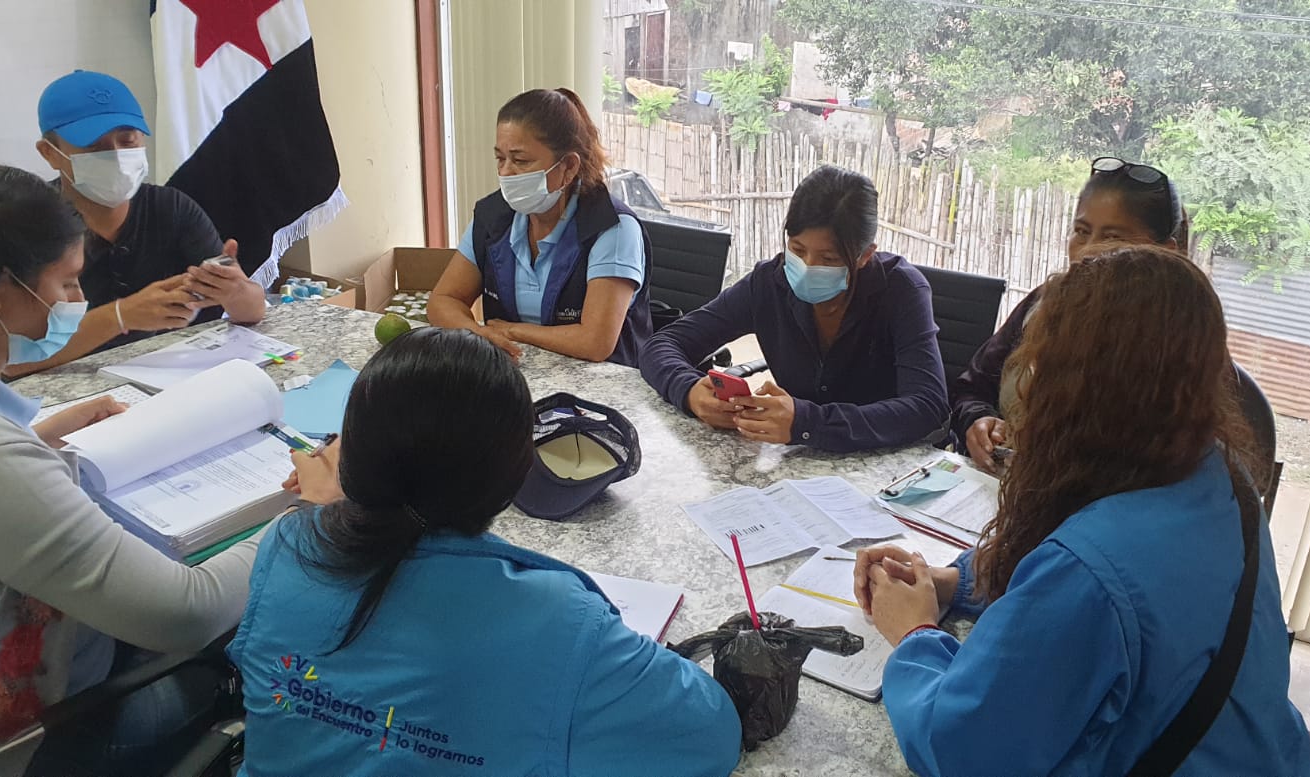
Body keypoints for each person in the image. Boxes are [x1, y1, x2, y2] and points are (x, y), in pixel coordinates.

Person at [854, 245, 1310, 776]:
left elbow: (961, 752)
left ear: (1077, 388)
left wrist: (914, 633)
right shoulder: (1222, 473)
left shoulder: (1088, 570)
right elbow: (1126, 622)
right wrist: (953, 582)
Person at [0, 163, 266, 776]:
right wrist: (304, 516)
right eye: (65, 284)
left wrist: (32, 439)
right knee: (262, 643)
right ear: (1, 290)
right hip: (47, 733)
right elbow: (186, 614)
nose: (75, 303)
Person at [230, 327, 740, 776]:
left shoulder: (288, 544)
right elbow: (710, 734)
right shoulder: (556, 618)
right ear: (512, 478)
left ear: (353, 456)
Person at [639, 165, 948, 453]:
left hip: (889, 465)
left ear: (865, 256)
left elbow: (927, 405)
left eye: (829, 259)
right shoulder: (768, 283)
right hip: (799, 462)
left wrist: (807, 423)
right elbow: (663, 343)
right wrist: (689, 390)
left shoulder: (901, 290)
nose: (808, 266)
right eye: (798, 250)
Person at [11, 69, 266, 377]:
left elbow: (254, 309)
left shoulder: (171, 208)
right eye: (94, 147)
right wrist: (121, 316)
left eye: (127, 141)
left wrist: (234, 291)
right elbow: (15, 360)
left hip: (169, 376)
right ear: (50, 153)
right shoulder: (31, 225)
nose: (117, 157)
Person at [949, 156, 1188, 472]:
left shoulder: (1179, 348)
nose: (1088, 250)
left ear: (1165, 252)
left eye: (1113, 237)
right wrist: (978, 420)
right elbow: (972, 388)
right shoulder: (1042, 306)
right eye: (1082, 231)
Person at [428, 88, 653, 366]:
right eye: (500, 158)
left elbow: (595, 342)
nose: (505, 172)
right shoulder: (493, 217)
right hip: (516, 372)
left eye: (520, 161)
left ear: (568, 167)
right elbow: (443, 300)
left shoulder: (612, 229)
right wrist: (478, 334)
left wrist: (512, 331)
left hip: (602, 380)